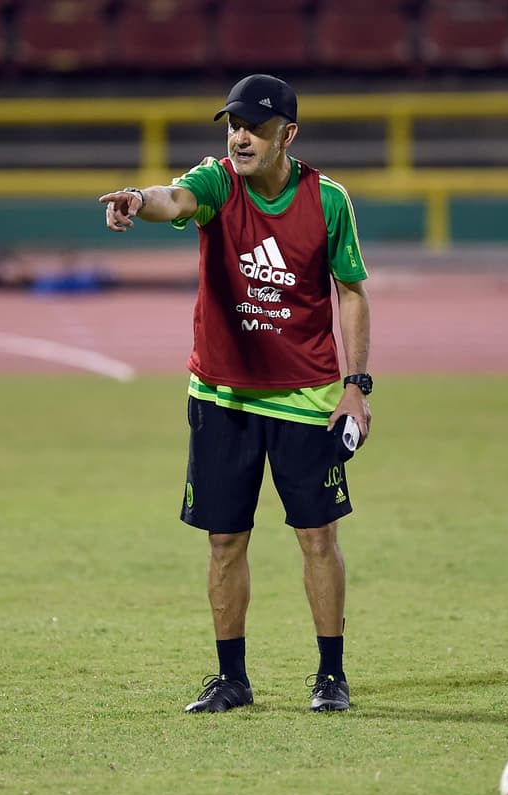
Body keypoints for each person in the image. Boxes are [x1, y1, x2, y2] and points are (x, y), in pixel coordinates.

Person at [99, 74, 372, 714]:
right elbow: (176, 197)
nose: (240, 136)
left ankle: (330, 677)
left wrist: (355, 387)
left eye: (254, 126)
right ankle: (232, 679)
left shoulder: (328, 200)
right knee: (225, 541)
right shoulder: (217, 181)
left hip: (305, 396)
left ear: (288, 135)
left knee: (317, 538)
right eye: (232, 125)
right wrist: (140, 200)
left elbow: (351, 292)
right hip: (222, 396)